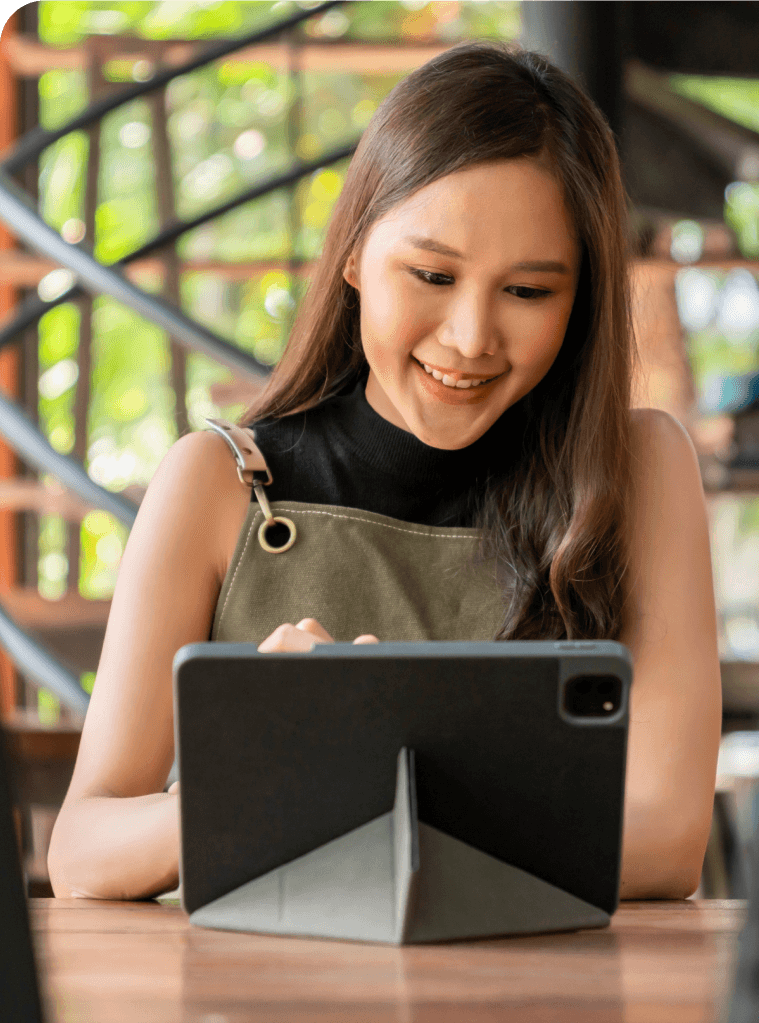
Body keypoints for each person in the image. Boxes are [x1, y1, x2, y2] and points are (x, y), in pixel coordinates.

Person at [47, 40, 721, 903]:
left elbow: (666, 840)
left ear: (582, 298)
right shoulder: (218, 481)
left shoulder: (641, 470)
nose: (472, 337)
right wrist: (265, 775)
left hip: (540, 1012)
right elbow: (83, 850)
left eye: (529, 291)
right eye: (433, 274)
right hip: (264, 1012)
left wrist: (355, 775)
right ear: (355, 255)